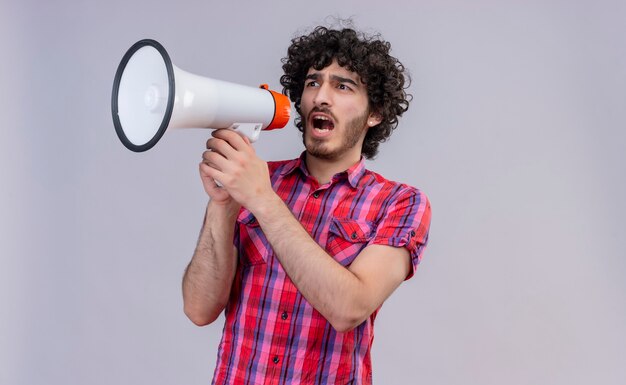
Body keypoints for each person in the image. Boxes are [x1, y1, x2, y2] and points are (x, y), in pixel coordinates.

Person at [182, 25, 431, 385]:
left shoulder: (400, 203)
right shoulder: (254, 182)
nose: (321, 97)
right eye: (313, 83)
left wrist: (261, 199)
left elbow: (349, 309)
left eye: (342, 85)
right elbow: (199, 309)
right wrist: (222, 204)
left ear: (374, 113)